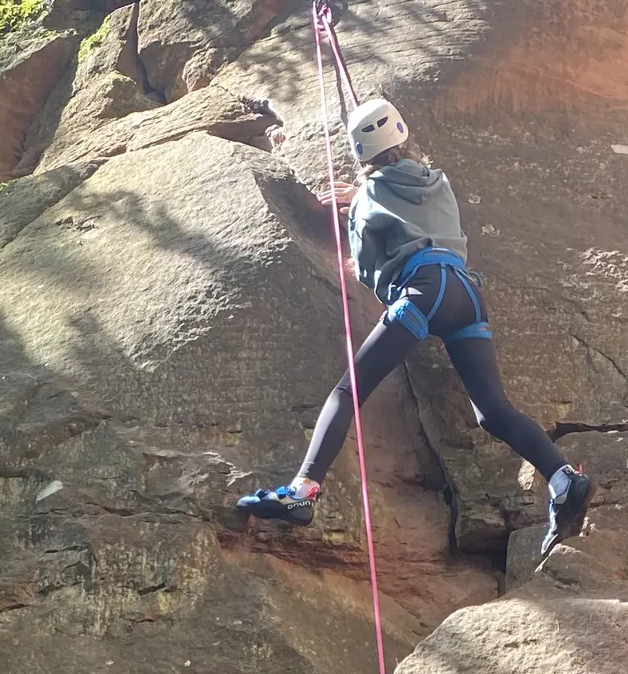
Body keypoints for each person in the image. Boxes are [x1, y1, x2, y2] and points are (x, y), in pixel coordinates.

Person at [239, 94, 591, 562]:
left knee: (348, 393)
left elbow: (365, 270)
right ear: (402, 135)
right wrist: (364, 198)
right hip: (465, 294)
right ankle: (564, 479)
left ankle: (303, 488)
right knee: (492, 410)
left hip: (421, 293)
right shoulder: (438, 180)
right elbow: (408, 195)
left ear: (360, 154)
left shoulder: (367, 199)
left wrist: (354, 211)